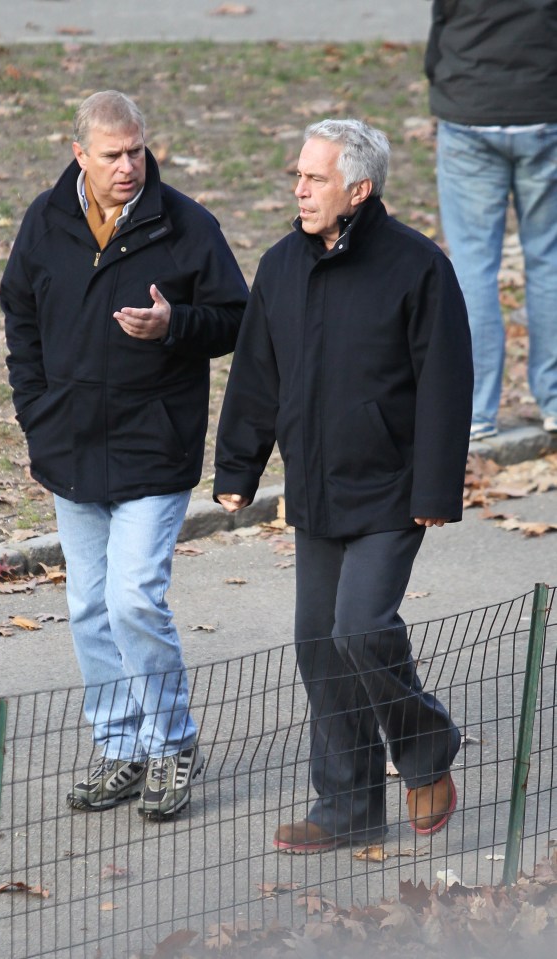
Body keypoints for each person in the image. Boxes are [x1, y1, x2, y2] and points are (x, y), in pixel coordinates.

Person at [213, 118, 473, 854]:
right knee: (318, 645)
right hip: (317, 490)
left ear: (358, 189)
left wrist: (435, 488)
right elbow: (257, 375)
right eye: (298, 174)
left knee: (360, 627)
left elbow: (446, 385)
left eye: (315, 177)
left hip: (392, 488)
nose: (298, 188)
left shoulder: (418, 267)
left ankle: (426, 749)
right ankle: (350, 803)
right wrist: (239, 466)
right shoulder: (280, 266)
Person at [1, 90, 248, 819]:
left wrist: (176, 323)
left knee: (134, 597)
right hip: (69, 447)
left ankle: (171, 743)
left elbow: (237, 316)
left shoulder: (186, 226)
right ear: (80, 153)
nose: (129, 166)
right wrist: (34, 412)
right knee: (87, 606)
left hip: (154, 446)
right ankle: (121, 748)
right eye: (112, 154)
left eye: (137, 149)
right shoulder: (46, 223)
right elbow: (18, 311)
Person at [426, 0, 557, 441]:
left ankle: (475, 409)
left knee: (472, 264)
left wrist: (443, 84)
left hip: (469, 105)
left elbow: (441, 23)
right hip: (545, 106)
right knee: (550, 259)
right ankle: (554, 400)